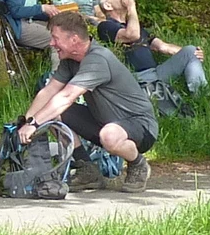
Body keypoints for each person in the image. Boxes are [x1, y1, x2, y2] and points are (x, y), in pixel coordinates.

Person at [20, 12, 157, 193]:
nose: (51, 43)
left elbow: (67, 96)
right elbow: (49, 91)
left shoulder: (98, 58)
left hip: (140, 126)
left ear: (74, 39)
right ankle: (87, 170)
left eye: (55, 38)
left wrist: (35, 123)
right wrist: (26, 123)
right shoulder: (70, 61)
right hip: (104, 123)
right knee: (53, 116)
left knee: (109, 135)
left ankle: (138, 163)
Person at [94, 0, 207, 94]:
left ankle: (201, 96)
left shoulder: (138, 28)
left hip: (156, 73)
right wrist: (132, 8)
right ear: (107, 5)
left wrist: (193, 54)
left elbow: (163, 47)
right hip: (136, 78)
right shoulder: (105, 26)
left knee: (191, 50)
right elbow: (131, 35)